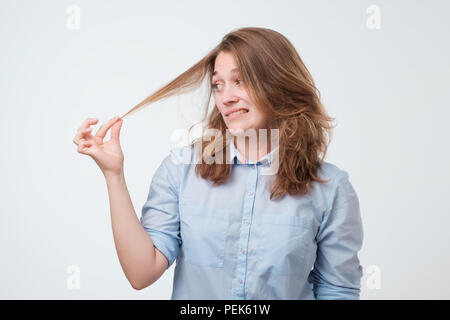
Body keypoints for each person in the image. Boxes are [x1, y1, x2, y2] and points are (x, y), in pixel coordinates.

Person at [73, 27, 364, 299]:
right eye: (218, 85)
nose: (226, 98)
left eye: (240, 81)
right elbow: (141, 273)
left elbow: (338, 290)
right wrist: (114, 175)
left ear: (279, 84)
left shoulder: (331, 188)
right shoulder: (181, 169)